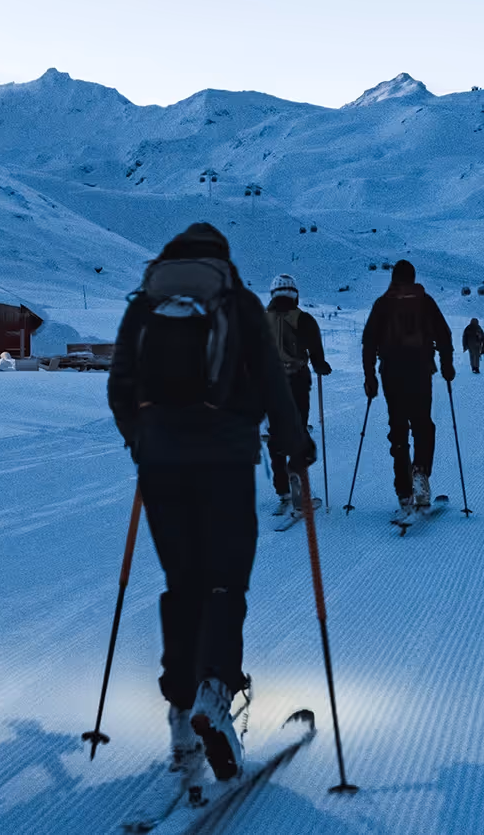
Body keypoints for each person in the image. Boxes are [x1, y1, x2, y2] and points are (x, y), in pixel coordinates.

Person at [108, 223, 312, 783]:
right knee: (225, 581)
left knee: (183, 584)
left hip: (162, 463)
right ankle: (215, 692)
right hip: (225, 458)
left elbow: (119, 385)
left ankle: (179, 714)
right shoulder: (240, 304)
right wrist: (296, 445)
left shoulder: (144, 305)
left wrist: (142, 438)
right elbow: (272, 382)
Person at [361, 260, 454, 514]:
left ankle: (404, 492)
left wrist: (370, 377)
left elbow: (369, 342)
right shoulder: (425, 301)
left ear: (393, 277)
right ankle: (420, 472)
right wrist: (447, 365)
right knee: (423, 424)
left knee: (398, 429)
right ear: (413, 277)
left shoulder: (382, 303)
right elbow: (444, 335)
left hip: (391, 373)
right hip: (420, 371)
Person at [263, 274, 332, 507]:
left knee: (275, 433)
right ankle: (297, 477)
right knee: (298, 428)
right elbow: (317, 357)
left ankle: (282, 489)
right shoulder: (304, 319)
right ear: (294, 294)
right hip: (298, 381)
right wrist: (322, 366)